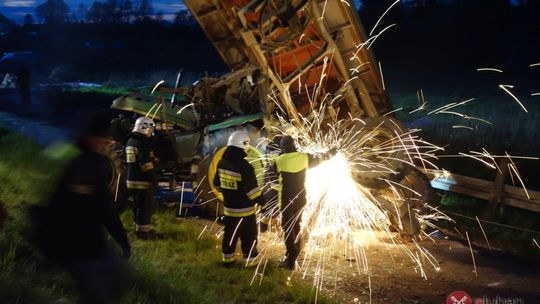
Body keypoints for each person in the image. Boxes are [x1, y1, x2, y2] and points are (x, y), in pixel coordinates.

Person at [30, 111, 132, 304]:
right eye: (103, 139)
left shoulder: (78, 157)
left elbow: (104, 207)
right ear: (91, 137)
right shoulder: (79, 161)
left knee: (114, 280)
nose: (106, 144)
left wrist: (121, 239)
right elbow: (102, 208)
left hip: (88, 240)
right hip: (72, 241)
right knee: (98, 292)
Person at [273, 135, 335, 270]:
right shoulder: (304, 157)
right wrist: (333, 151)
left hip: (286, 201)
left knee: (288, 228)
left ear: (283, 147)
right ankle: (292, 254)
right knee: (296, 226)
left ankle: (290, 259)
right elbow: (323, 158)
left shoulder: (278, 161)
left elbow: (271, 181)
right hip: (301, 199)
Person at [213, 130, 265, 267]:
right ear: (244, 145)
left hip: (229, 210)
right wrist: (262, 201)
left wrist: (229, 192)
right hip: (245, 212)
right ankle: (251, 261)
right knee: (249, 237)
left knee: (230, 236)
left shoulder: (221, 163)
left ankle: (228, 261)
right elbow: (252, 191)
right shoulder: (245, 166)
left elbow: (217, 185)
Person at [126, 116, 159, 239]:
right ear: (144, 127)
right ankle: (143, 233)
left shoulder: (130, 140)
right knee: (145, 207)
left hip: (131, 180)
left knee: (137, 206)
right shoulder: (142, 141)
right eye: (151, 129)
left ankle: (138, 227)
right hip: (141, 181)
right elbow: (144, 163)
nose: (151, 132)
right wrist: (153, 179)